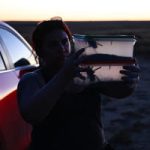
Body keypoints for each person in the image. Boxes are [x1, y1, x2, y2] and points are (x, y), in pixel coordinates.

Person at [17, 17, 140, 150]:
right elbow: (32, 115)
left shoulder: (85, 71)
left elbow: (121, 93)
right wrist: (64, 76)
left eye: (64, 42)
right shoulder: (33, 79)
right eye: (53, 44)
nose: (61, 48)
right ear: (40, 51)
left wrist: (130, 81)